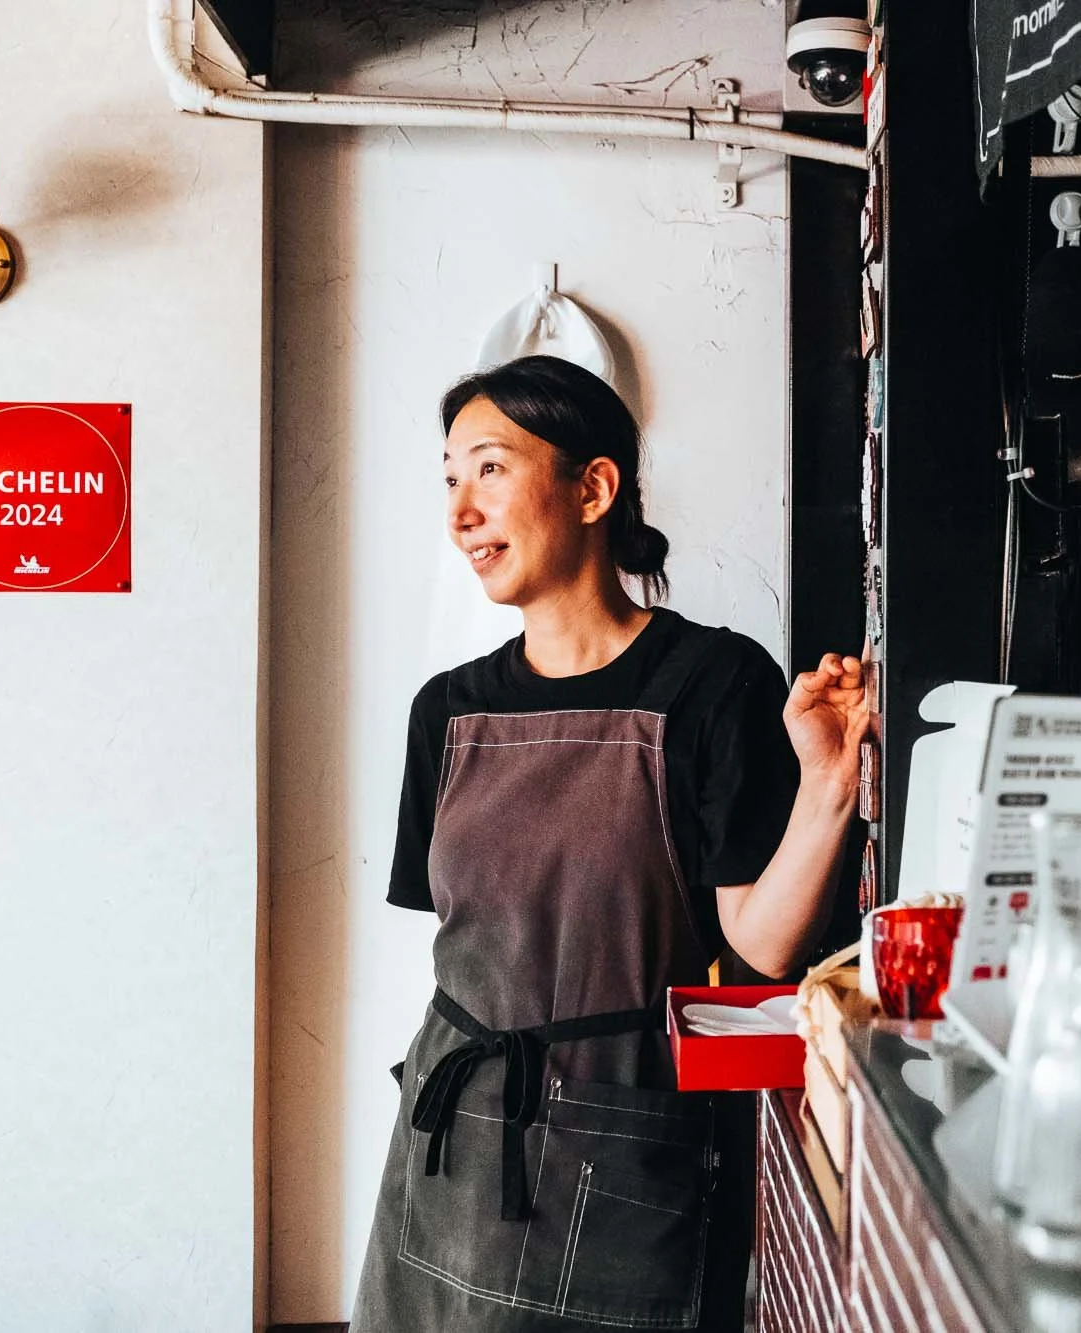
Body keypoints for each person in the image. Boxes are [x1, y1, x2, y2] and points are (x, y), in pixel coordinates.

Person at [350, 355, 865, 1331]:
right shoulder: (446, 712)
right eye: (449, 476)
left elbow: (758, 951)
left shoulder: (713, 683)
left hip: (627, 1139)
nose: (461, 509)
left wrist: (827, 784)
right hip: (450, 1133)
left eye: (490, 469)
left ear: (592, 487)